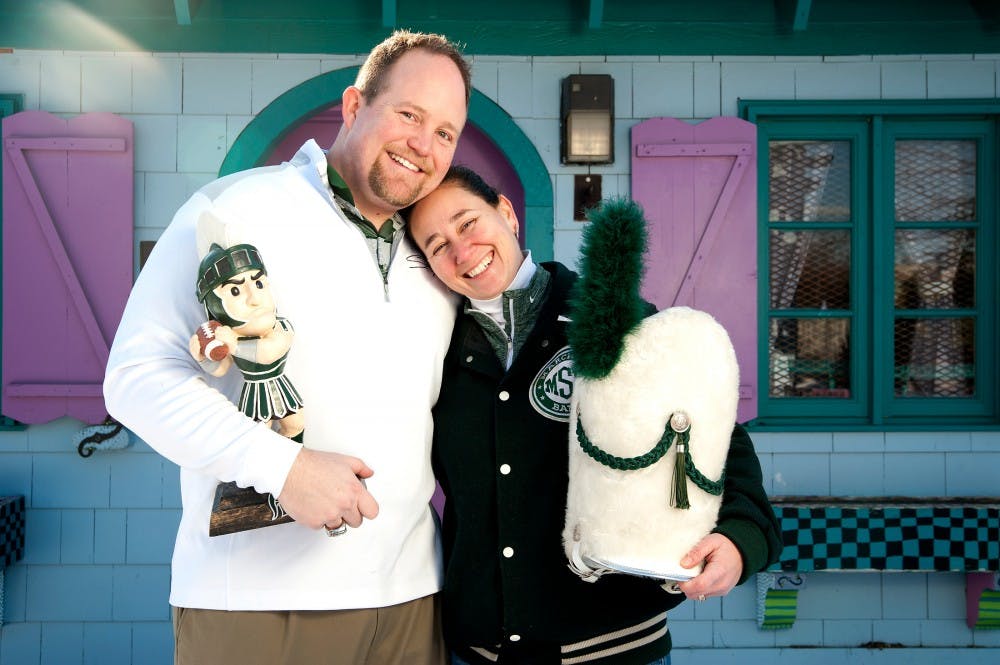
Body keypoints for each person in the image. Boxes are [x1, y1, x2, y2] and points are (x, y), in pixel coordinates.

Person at [103, 30, 471, 665]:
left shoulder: (439, 251)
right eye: (408, 115)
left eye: (445, 132)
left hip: (414, 602)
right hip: (258, 607)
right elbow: (135, 378)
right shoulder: (234, 209)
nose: (424, 144)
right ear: (354, 106)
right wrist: (284, 469)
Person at [405, 166, 782, 665]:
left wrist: (741, 538)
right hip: (481, 652)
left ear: (506, 211)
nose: (460, 250)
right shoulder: (435, 351)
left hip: (613, 645)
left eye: (467, 222)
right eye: (436, 245)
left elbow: (715, 436)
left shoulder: (609, 317)